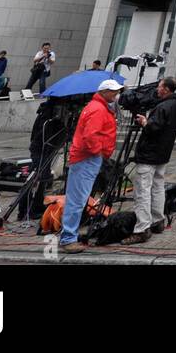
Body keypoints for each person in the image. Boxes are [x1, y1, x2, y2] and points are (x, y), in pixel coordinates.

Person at [59, 79, 122, 253]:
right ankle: (68, 238)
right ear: (105, 92)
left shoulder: (96, 107)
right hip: (87, 158)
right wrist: (99, 152)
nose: (116, 95)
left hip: (87, 157)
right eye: (114, 91)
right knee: (77, 200)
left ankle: (68, 235)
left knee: (77, 199)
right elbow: (90, 136)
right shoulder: (98, 109)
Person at [123, 76, 176, 245]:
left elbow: (153, 128)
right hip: (163, 154)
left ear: (166, 89)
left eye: (159, 86)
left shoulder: (162, 107)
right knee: (157, 187)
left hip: (149, 154)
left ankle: (142, 228)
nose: (157, 89)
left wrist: (144, 122)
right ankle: (158, 220)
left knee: (142, 190)